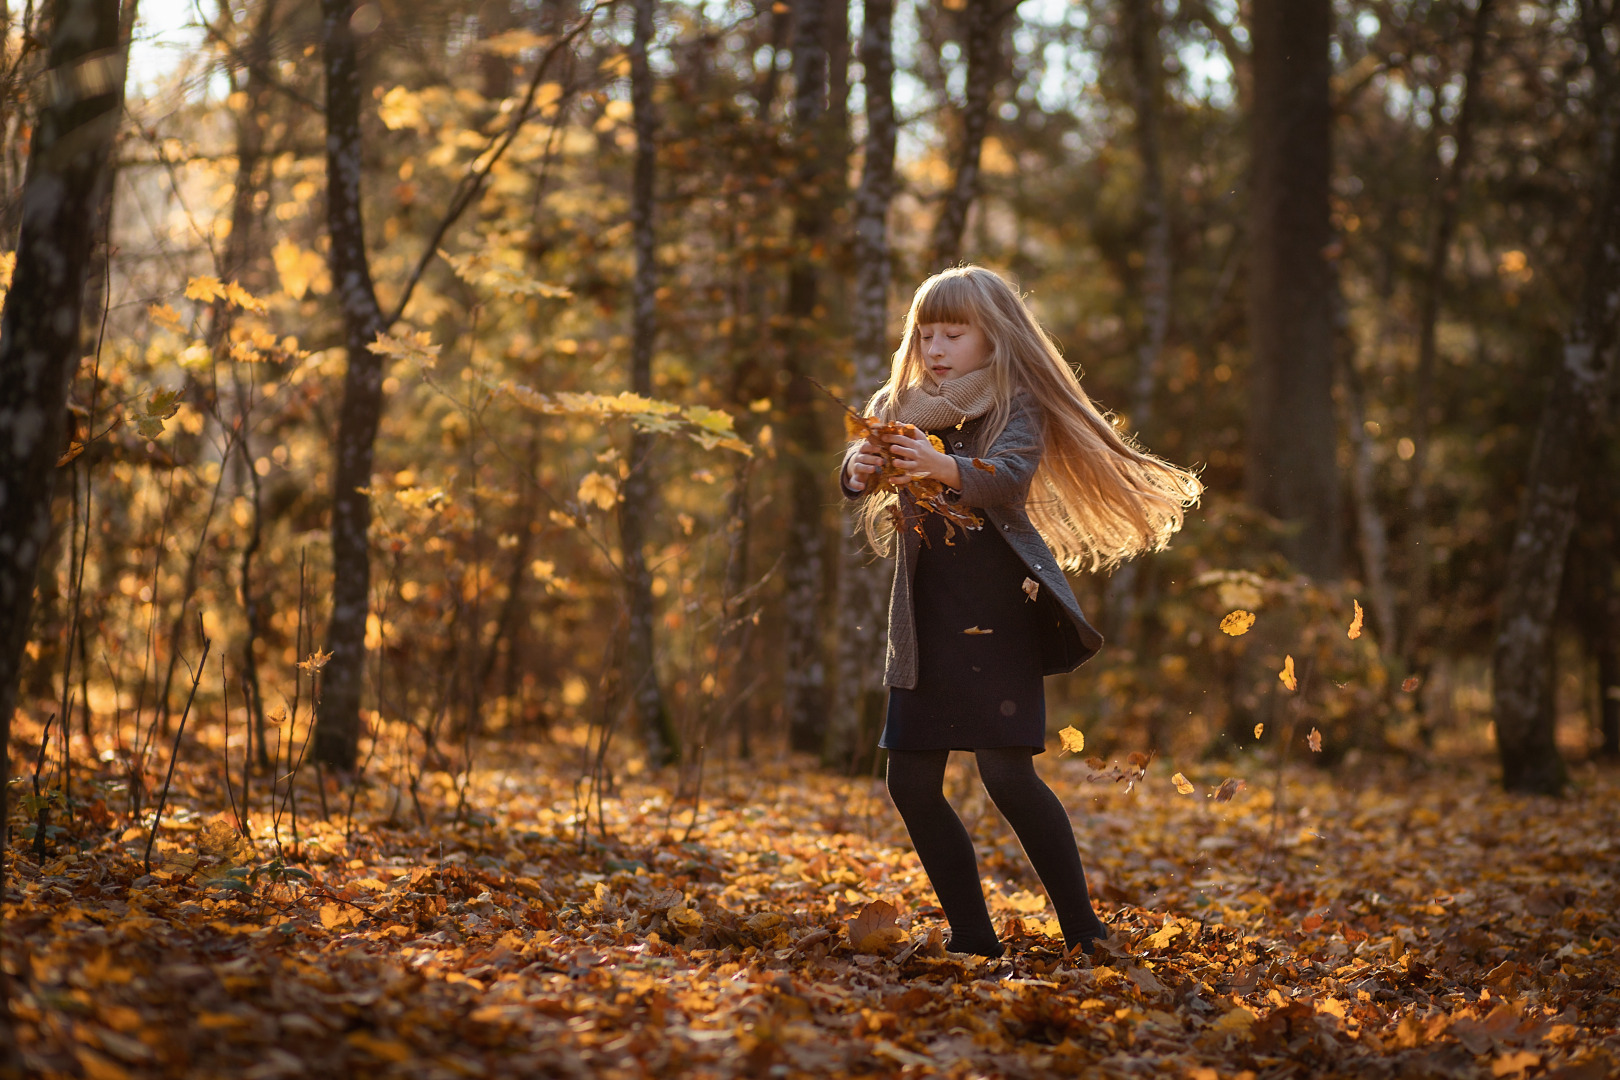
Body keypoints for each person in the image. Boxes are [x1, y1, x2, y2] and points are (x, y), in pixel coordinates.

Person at [841, 265, 1201, 959]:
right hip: (924, 621)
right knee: (909, 781)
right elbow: (864, 471)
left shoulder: (1016, 403)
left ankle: (1084, 931)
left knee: (1007, 774)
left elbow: (1008, 479)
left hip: (997, 615)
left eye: (955, 332)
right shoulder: (902, 402)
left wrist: (944, 467)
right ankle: (973, 936)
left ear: (994, 336)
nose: (937, 346)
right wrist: (858, 472)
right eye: (927, 332)